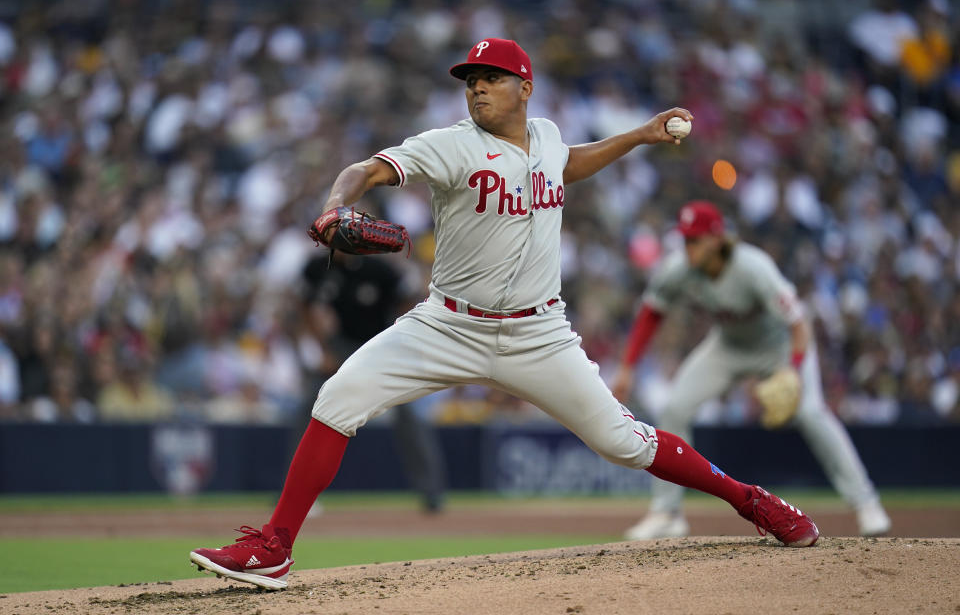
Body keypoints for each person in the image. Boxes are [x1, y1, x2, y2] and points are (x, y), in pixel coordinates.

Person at [189, 38, 819, 591]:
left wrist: (637, 136)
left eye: (490, 79)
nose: (477, 90)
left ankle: (752, 501)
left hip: (538, 333)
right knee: (337, 396)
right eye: (470, 81)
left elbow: (567, 164)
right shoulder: (450, 146)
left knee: (624, 443)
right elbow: (365, 169)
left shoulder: (544, 135)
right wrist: (333, 206)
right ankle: (275, 549)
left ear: (525, 86)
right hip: (448, 325)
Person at [612, 200, 891, 540]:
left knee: (811, 414)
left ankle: (865, 503)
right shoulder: (679, 269)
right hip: (727, 345)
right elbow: (650, 313)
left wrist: (793, 369)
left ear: (717, 238)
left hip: (780, 346)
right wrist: (627, 368)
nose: (688, 247)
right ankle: (667, 512)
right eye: (685, 240)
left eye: (695, 240)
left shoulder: (753, 267)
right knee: (675, 407)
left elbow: (798, 323)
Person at [302, 252, 446, 512]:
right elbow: (305, 306)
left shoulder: (379, 268)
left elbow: (409, 300)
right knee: (308, 410)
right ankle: (295, 494)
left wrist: (400, 337)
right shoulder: (319, 266)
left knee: (408, 416)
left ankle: (432, 492)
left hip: (379, 344)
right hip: (342, 347)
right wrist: (323, 349)